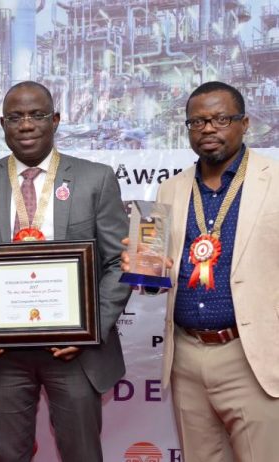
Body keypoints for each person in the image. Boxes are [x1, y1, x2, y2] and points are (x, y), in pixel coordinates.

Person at [0, 81, 131, 462]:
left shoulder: (95, 178)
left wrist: (90, 330)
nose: (26, 125)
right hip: (2, 353)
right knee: (8, 455)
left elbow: (118, 263)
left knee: (82, 454)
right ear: (2, 124)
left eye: (37, 115)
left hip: (75, 353)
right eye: (15, 117)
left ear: (55, 120)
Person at [122, 81, 279, 461]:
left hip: (251, 355)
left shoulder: (273, 180)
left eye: (220, 119)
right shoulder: (170, 190)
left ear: (245, 123)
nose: (208, 129)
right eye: (197, 122)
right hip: (186, 356)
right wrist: (145, 272)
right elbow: (158, 282)